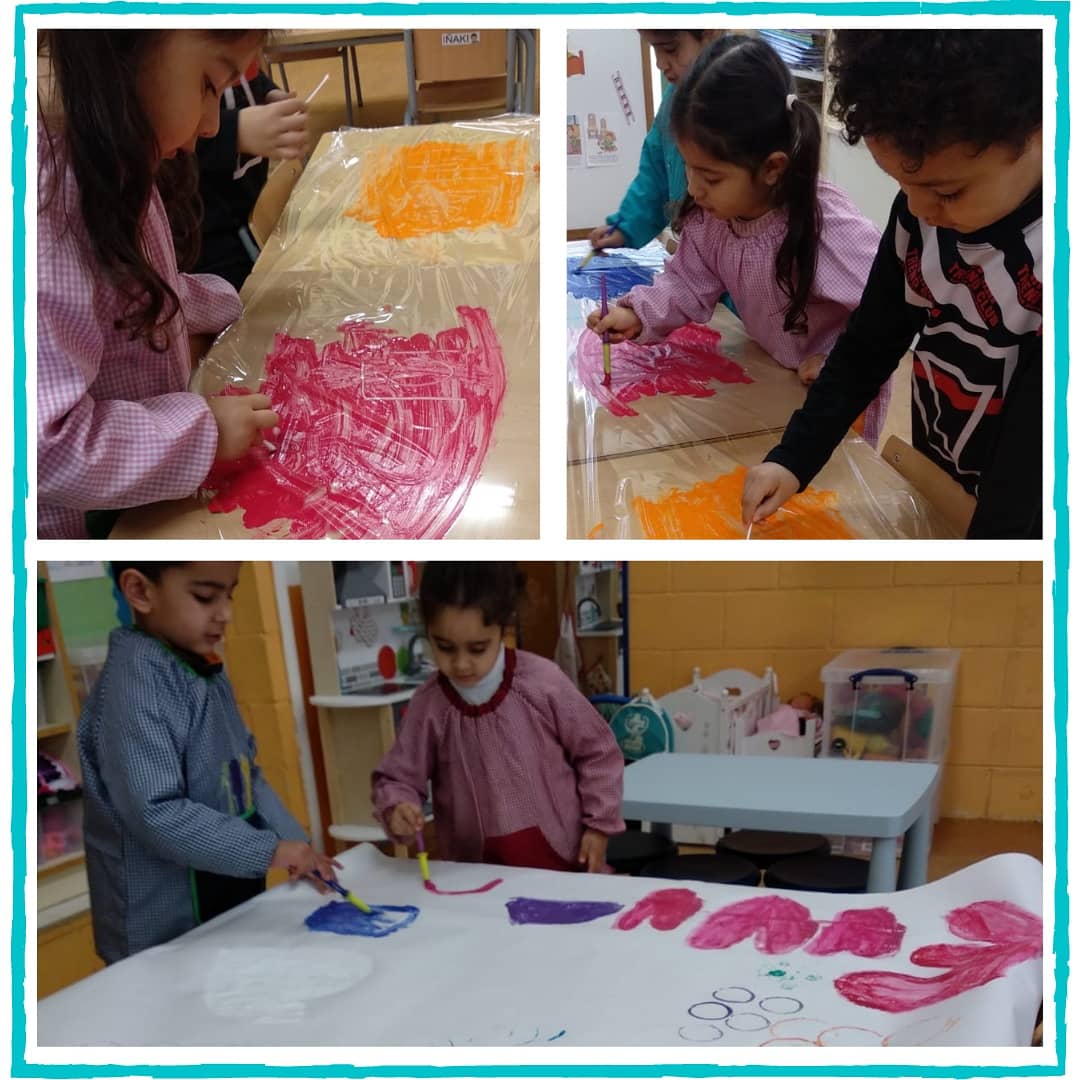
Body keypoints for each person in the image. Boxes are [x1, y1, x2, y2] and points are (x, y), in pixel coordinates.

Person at [742, 29, 1042, 538]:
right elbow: (867, 347)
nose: (918, 209)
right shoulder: (922, 216)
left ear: (1042, 132)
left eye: (947, 192)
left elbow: (1033, 468)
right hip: (940, 469)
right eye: (902, 185)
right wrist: (793, 458)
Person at [588, 36, 890, 443]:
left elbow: (888, 304)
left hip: (838, 393)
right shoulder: (713, 220)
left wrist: (840, 362)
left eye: (711, 177)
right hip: (777, 377)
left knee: (836, 476)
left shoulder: (824, 224)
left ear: (772, 168)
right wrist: (639, 314)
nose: (694, 189)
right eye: (689, 169)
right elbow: (686, 282)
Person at [38, 31, 279, 539]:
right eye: (209, 85)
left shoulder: (119, 157)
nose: (212, 126)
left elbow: (144, 293)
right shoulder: (48, 211)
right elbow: (45, 446)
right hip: (87, 526)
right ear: (123, 44)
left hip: (146, 493)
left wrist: (234, 304)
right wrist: (203, 434)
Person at [79, 563, 338, 964]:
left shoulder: (202, 667)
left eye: (229, 595)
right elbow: (157, 813)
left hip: (224, 900)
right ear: (140, 591)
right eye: (205, 597)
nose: (226, 614)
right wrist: (270, 850)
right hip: (162, 929)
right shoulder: (132, 688)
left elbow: (245, 775)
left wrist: (297, 845)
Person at [371, 563, 625, 873]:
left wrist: (599, 825)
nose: (461, 664)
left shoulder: (543, 683)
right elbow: (397, 778)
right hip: (475, 877)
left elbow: (598, 753)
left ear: (504, 627)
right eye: (445, 648)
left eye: (477, 649)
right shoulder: (430, 706)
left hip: (564, 866)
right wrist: (397, 807)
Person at [587, 30, 723, 253]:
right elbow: (655, 172)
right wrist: (626, 227)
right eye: (654, 49)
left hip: (733, 257)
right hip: (694, 255)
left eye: (670, 49)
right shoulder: (673, 99)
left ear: (710, 32)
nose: (660, 63)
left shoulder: (736, 96)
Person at [195, 60, 309, 289]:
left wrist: (269, 93)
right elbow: (161, 135)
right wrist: (234, 131)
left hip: (250, 209)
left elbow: (250, 72)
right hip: (206, 238)